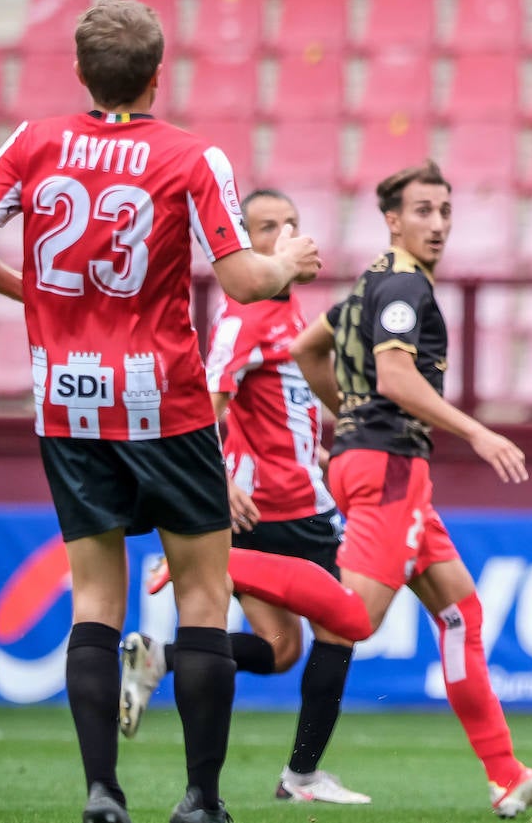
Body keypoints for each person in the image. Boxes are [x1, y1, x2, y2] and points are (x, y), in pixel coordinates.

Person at [0, 0, 320, 823]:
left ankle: (103, 793)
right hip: (166, 401)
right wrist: (285, 254)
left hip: (68, 402)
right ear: (158, 74)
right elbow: (246, 282)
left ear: (79, 73)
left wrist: (35, 296)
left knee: (95, 602)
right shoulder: (189, 155)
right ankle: (198, 800)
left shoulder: (34, 141)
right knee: (203, 599)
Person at [285, 160, 532, 819]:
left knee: (460, 613)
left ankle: (505, 774)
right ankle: (222, 567)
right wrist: (477, 431)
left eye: (445, 210)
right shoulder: (401, 287)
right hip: (389, 466)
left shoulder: (366, 284)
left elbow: (309, 349)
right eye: (423, 210)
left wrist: (348, 415)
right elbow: (394, 376)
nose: (438, 224)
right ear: (392, 219)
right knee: (354, 618)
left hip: (379, 461)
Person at [118, 189, 368, 806]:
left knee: (282, 650)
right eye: (266, 227)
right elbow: (209, 404)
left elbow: (280, 405)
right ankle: (301, 777)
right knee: (342, 629)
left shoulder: (288, 309)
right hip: (285, 511)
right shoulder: (244, 315)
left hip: (285, 497)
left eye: (291, 223)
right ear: (242, 243)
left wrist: (317, 450)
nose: (284, 233)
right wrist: (221, 480)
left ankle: (159, 659)